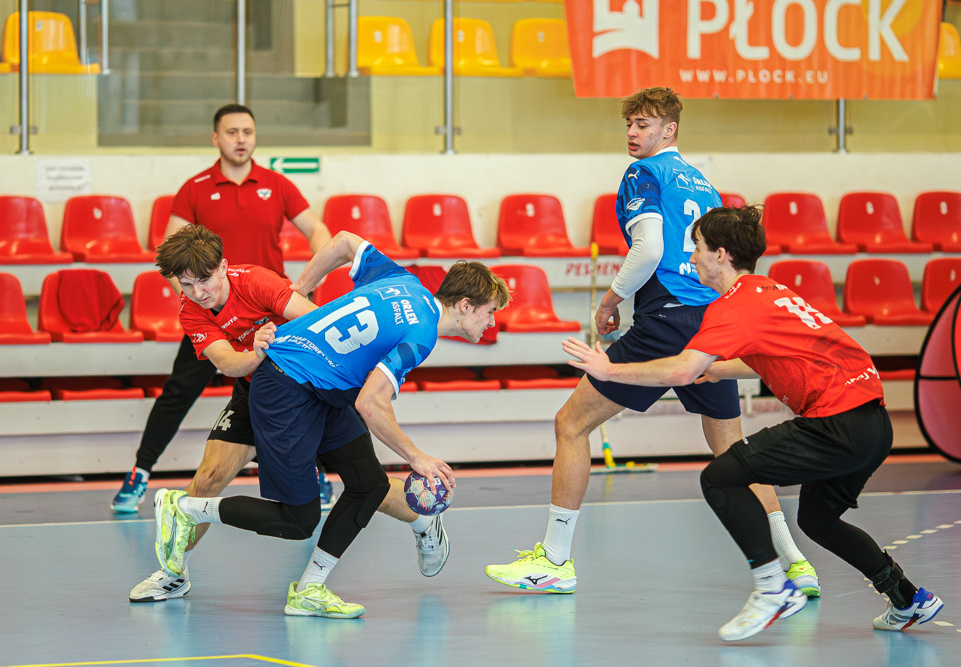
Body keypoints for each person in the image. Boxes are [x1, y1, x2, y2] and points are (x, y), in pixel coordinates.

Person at [485, 87, 817, 596]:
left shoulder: (643, 173)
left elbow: (648, 248)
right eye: (629, 124)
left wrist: (609, 301)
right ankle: (795, 563)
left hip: (664, 318)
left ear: (669, 129)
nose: (633, 133)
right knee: (732, 449)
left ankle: (553, 561)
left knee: (571, 424)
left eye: (643, 124)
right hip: (708, 320)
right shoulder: (704, 183)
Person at [562, 205, 944, 641]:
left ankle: (772, 587)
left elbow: (681, 371)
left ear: (721, 255)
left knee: (720, 477)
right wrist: (718, 370)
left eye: (698, 248)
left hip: (834, 422)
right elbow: (778, 355)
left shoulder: (734, 306)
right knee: (818, 520)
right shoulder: (772, 292)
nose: (691, 258)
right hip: (872, 424)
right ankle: (907, 598)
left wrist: (608, 369)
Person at [152, 229, 510, 618]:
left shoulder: (402, 280)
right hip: (287, 387)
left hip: (324, 385)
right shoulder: (422, 334)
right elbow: (370, 404)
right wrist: (416, 457)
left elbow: (343, 242)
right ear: (465, 305)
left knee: (369, 485)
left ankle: (310, 589)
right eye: (491, 311)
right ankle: (186, 508)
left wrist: (299, 288)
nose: (491, 322)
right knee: (297, 521)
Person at [111, 103, 332, 514]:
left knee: (301, 391)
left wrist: (310, 279)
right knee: (178, 393)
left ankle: (316, 472)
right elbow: (167, 253)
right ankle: (140, 473)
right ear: (216, 138)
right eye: (232, 132)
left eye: (247, 131)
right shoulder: (194, 188)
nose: (241, 139)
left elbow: (317, 230)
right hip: (215, 317)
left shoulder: (277, 184)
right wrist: (194, 297)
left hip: (270, 316)